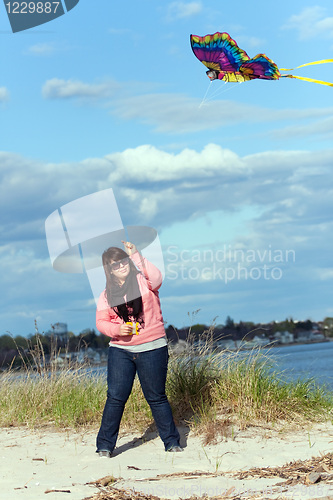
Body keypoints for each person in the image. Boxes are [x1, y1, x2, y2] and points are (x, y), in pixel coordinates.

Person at [96, 240, 182, 457]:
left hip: (152, 347)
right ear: (109, 270)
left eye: (122, 261)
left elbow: (158, 278)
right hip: (121, 351)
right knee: (115, 397)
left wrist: (135, 255)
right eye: (115, 265)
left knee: (156, 397)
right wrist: (118, 330)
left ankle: (172, 442)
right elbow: (101, 322)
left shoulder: (144, 281)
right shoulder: (106, 294)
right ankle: (105, 446)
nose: (121, 266)